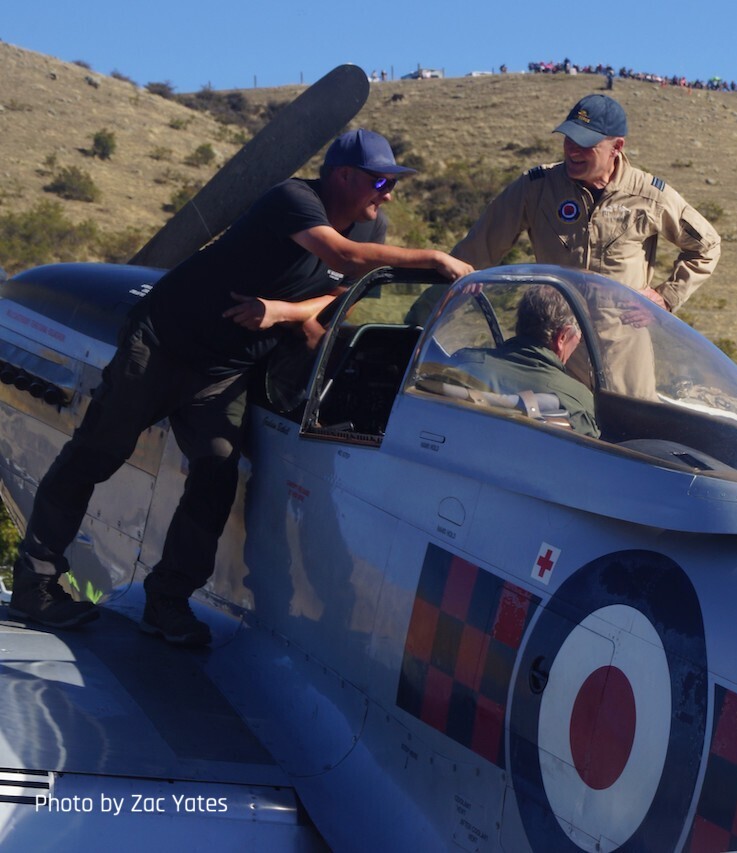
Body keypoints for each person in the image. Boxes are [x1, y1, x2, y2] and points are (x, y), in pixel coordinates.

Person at [9, 128, 473, 644]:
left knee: (216, 472)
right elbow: (343, 259)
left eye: (392, 183)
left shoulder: (373, 227)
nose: (388, 194)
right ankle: (36, 586)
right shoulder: (294, 199)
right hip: (164, 346)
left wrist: (282, 312)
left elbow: (342, 295)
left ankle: (167, 602)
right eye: (380, 181)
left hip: (224, 372)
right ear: (343, 176)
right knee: (96, 454)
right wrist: (433, 257)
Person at [452, 93, 720, 315]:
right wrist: (436, 302)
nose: (572, 150)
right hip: (553, 340)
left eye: (585, 143)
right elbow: (473, 255)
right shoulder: (535, 187)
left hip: (623, 344)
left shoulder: (649, 195)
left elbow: (707, 246)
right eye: (569, 139)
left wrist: (666, 298)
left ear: (617, 147)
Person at [450, 285, 598, 438]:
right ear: (562, 337)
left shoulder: (462, 362)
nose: (578, 342)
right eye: (579, 337)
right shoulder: (578, 399)